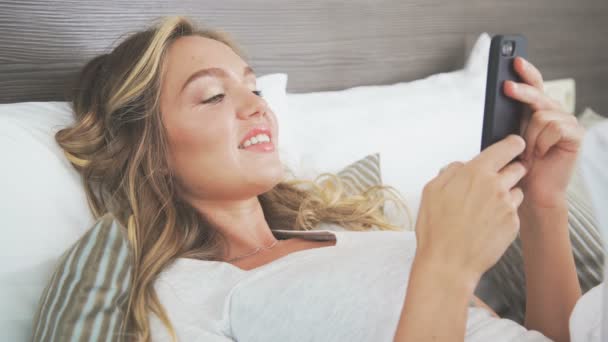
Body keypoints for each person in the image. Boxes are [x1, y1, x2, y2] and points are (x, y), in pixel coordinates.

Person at [56, 15, 585, 342]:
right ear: (150, 153)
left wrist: (544, 203)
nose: (255, 107)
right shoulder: (184, 299)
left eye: (254, 88)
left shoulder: (358, 236)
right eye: (214, 95)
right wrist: (444, 268)